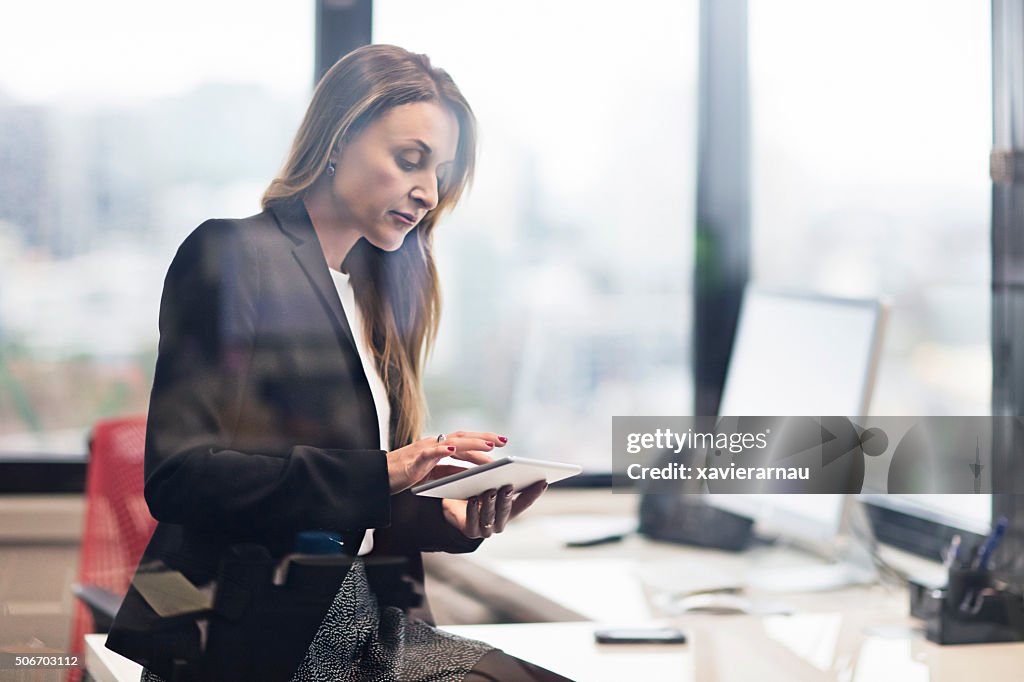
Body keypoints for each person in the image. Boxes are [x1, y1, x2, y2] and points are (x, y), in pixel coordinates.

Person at [106, 44, 572, 681]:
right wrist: (386, 472)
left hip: (355, 616)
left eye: (441, 172)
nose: (429, 191)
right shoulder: (232, 253)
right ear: (336, 138)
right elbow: (181, 476)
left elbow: (348, 508)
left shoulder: (374, 298)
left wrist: (445, 515)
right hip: (252, 634)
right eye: (410, 160)